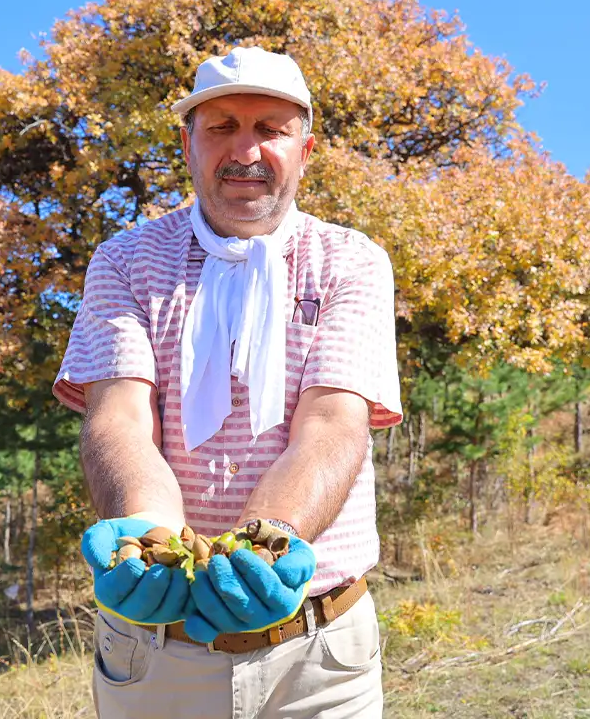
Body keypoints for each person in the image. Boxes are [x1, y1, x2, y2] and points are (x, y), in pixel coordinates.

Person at [52, 45, 403, 719]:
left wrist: (263, 547)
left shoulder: (351, 261)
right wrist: (152, 544)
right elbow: (121, 417)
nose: (246, 149)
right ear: (187, 144)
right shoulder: (125, 260)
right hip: (157, 650)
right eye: (221, 127)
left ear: (306, 148)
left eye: (270, 128)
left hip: (321, 653)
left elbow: (333, 422)